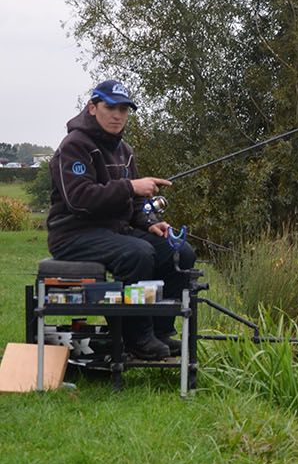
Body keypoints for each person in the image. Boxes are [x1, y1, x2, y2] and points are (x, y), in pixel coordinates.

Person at [47, 80, 196, 360]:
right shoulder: (74, 146)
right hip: (73, 234)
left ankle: (160, 332)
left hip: (115, 231)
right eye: (111, 107)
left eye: (124, 109)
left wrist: (148, 222)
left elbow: (135, 203)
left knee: (180, 252)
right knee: (137, 254)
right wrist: (131, 187)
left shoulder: (124, 150)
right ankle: (134, 340)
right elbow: (79, 199)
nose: (118, 115)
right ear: (93, 107)